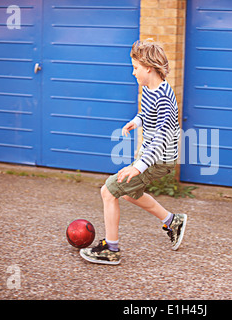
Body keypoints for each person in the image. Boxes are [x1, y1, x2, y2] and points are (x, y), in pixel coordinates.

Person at [80, 39, 187, 265]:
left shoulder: (166, 99)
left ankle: (111, 249)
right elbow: (147, 113)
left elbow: (161, 140)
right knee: (129, 192)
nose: (133, 72)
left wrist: (137, 166)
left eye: (136, 67)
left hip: (159, 158)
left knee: (108, 191)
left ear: (148, 67)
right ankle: (172, 221)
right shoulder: (150, 88)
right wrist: (136, 122)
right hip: (151, 155)